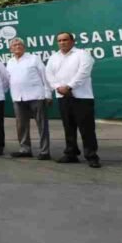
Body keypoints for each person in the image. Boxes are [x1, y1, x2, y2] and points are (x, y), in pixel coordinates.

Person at [45, 32, 100, 168]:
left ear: (72, 41)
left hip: (82, 97)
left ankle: (91, 156)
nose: (62, 42)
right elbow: (49, 74)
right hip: (63, 97)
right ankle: (71, 153)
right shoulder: (53, 57)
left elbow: (84, 73)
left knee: (87, 129)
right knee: (68, 127)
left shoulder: (82, 54)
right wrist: (58, 87)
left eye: (65, 39)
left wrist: (69, 86)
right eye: (59, 40)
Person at [6, 38, 51, 160]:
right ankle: (25, 149)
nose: (17, 46)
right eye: (14, 45)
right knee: (21, 125)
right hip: (18, 97)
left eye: (20, 44)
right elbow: (8, 80)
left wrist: (48, 94)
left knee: (42, 125)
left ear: (24, 47)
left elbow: (45, 76)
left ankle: (44, 151)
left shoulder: (34, 58)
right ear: (10, 49)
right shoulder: (10, 62)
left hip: (36, 96)